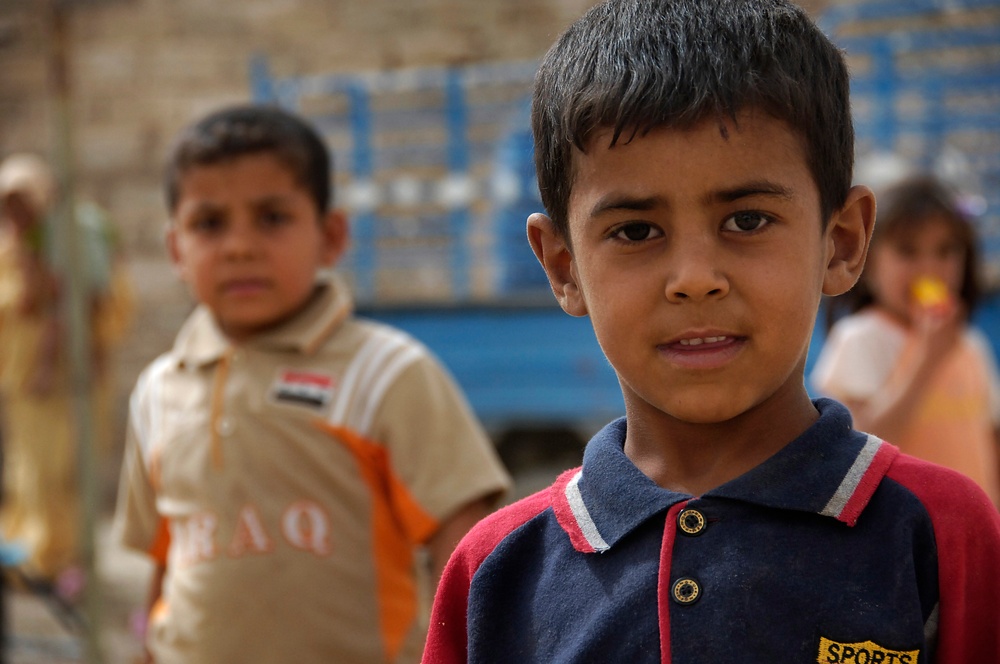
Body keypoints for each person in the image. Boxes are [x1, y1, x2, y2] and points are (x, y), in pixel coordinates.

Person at [421, 1, 1000, 662]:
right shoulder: (499, 570)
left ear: (840, 243)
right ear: (563, 265)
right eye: (636, 231)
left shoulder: (941, 532)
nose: (695, 279)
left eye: (747, 221)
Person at [112, 104, 511, 664]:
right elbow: (164, 556)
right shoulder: (156, 392)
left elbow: (465, 540)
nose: (239, 247)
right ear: (176, 248)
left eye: (272, 217)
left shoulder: (387, 372)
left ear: (331, 236)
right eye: (209, 224)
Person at [813, 174, 1000, 508]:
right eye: (907, 251)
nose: (929, 268)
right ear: (867, 262)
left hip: (971, 534)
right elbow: (857, 453)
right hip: (908, 537)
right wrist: (926, 362)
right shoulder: (862, 338)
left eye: (945, 251)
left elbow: (990, 439)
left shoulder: (971, 345)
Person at [0, 152, 132, 594]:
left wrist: (48, 363)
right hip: (25, 383)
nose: (15, 214)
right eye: (8, 205)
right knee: (29, 470)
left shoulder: (66, 239)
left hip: (65, 381)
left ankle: (60, 557)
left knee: (65, 471)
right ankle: (32, 550)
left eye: (21, 203)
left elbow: (78, 308)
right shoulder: (18, 247)